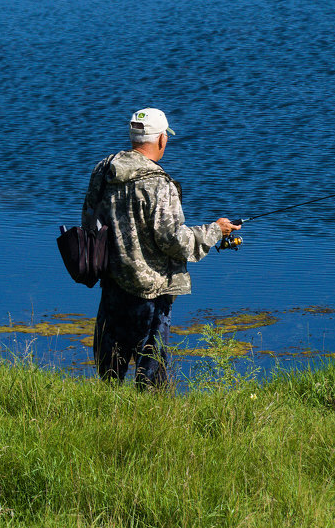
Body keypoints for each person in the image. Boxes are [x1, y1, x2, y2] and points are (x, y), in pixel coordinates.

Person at [83, 107, 240, 389]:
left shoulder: (103, 169)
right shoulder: (158, 183)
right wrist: (217, 230)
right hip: (151, 291)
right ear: (161, 140)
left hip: (112, 284)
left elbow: (88, 223)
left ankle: (107, 415)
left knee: (109, 373)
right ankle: (153, 423)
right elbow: (174, 241)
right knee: (152, 377)